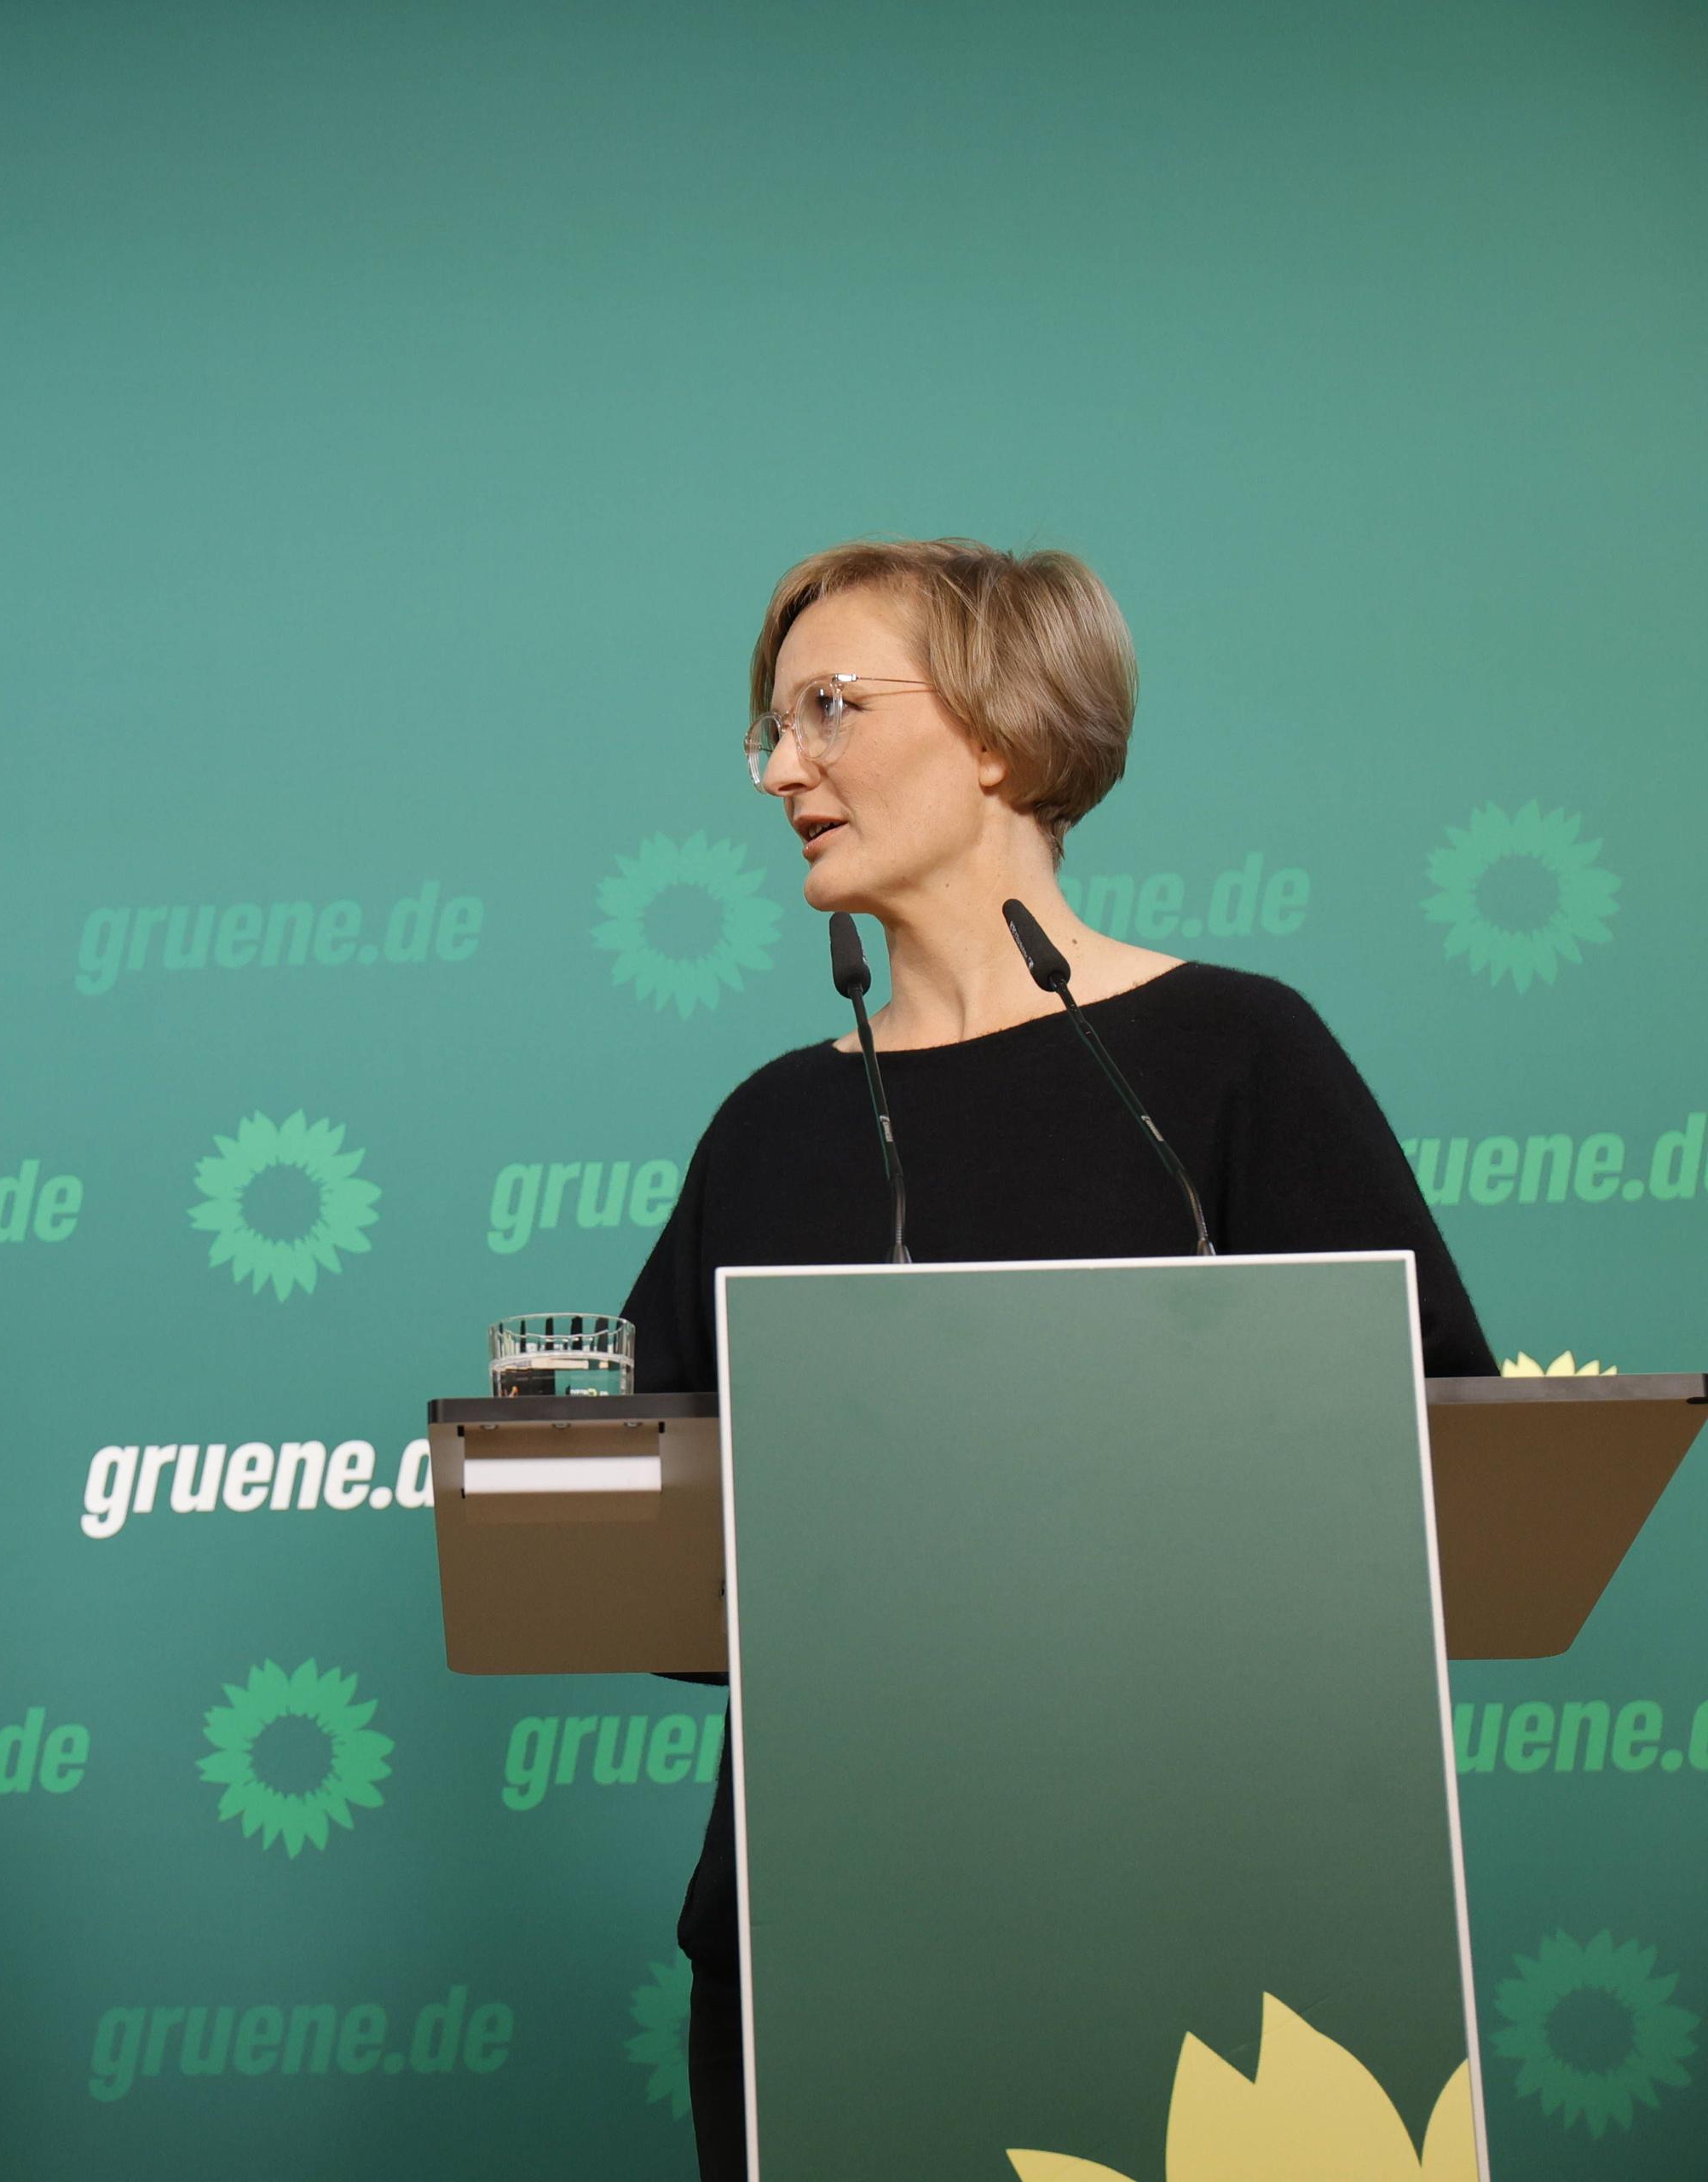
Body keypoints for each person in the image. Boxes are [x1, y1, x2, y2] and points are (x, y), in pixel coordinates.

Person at [616, 537, 1493, 2178]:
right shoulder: (772, 1128)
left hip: (1220, 1924)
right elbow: (663, 1552)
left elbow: (1444, 1466)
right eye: (771, 725)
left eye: (828, 708)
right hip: (832, 1930)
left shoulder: (1237, 1057)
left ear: (1003, 730)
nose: (782, 767)